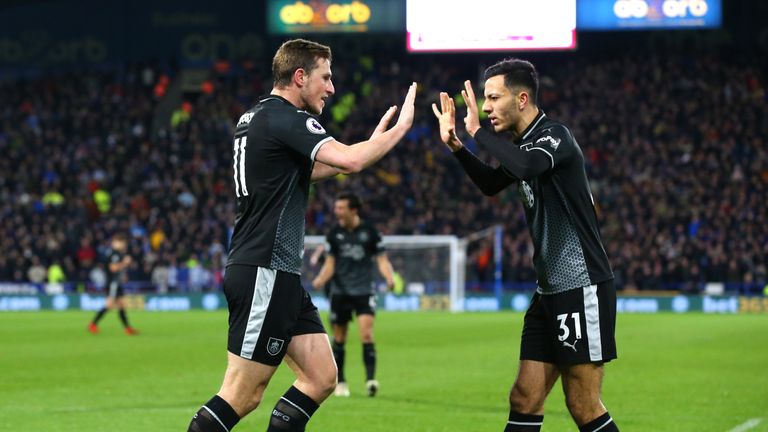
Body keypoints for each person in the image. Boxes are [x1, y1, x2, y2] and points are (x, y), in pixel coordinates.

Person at [187, 38, 417, 432]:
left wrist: (367, 146)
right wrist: (401, 129)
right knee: (243, 394)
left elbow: (324, 168)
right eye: (325, 77)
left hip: (279, 275)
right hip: (265, 269)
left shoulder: (257, 118)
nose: (331, 88)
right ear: (299, 77)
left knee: (321, 376)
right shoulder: (288, 119)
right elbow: (350, 160)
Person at [432, 59, 618, 432]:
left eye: (492, 98)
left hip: (580, 286)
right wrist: (456, 146)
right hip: (547, 292)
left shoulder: (554, 137)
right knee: (524, 397)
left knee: (582, 404)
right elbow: (490, 183)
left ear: (521, 99)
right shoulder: (523, 147)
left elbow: (529, 166)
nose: (484, 109)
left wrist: (476, 133)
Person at [311, 193, 395, 398]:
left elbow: (382, 260)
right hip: (341, 291)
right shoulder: (334, 234)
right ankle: (341, 382)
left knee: (366, 333)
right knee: (339, 337)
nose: (336, 211)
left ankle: (370, 380)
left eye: (341, 208)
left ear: (353, 210)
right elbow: (330, 264)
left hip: (364, 290)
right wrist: (321, 279)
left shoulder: (370, 232)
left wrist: (389, 278)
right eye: (336, 207)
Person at [88, 233, 138, 335]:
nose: (124, 245)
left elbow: (117, 269)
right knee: (109, 304)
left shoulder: (117, 253)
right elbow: (113, 268)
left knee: (121, 306)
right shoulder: (114, 253)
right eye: (122, 243)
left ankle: (127, 328)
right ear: (116, 242)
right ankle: (92, 324)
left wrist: (123, 275)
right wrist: (125, 262)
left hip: (116, 282)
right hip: (112, 283)